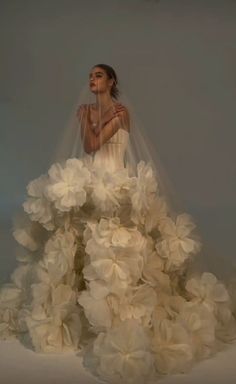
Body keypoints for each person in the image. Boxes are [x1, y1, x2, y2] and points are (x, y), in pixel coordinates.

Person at [0, 63, 236, 384]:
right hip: (93, 179)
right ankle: (86, 310)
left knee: (116, 243)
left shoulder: (122, 112)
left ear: (111, 81)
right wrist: (86, 119)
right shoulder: (90, 111)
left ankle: (121, 310)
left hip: (116, 184)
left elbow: (96, 144)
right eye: (90, 76)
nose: (92, 80)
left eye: (98, 75)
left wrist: (86, 118)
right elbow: (86, 147)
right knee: (81, 240)